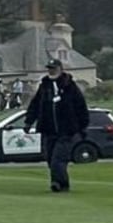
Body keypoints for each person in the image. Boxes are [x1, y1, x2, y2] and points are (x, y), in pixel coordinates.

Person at [22, 59, 89, 193]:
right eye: (49, 68)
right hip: (48, 130)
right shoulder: (44, 86)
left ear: (60, 69)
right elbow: (35, 105)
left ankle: (58, 184)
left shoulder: (69, 86)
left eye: (53, 68)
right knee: (50, 158)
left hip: (66, 131)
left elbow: (81, 107)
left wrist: (82, 128)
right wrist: (29, 122)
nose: (51, 71)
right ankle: (61, 183)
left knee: (58, 159)